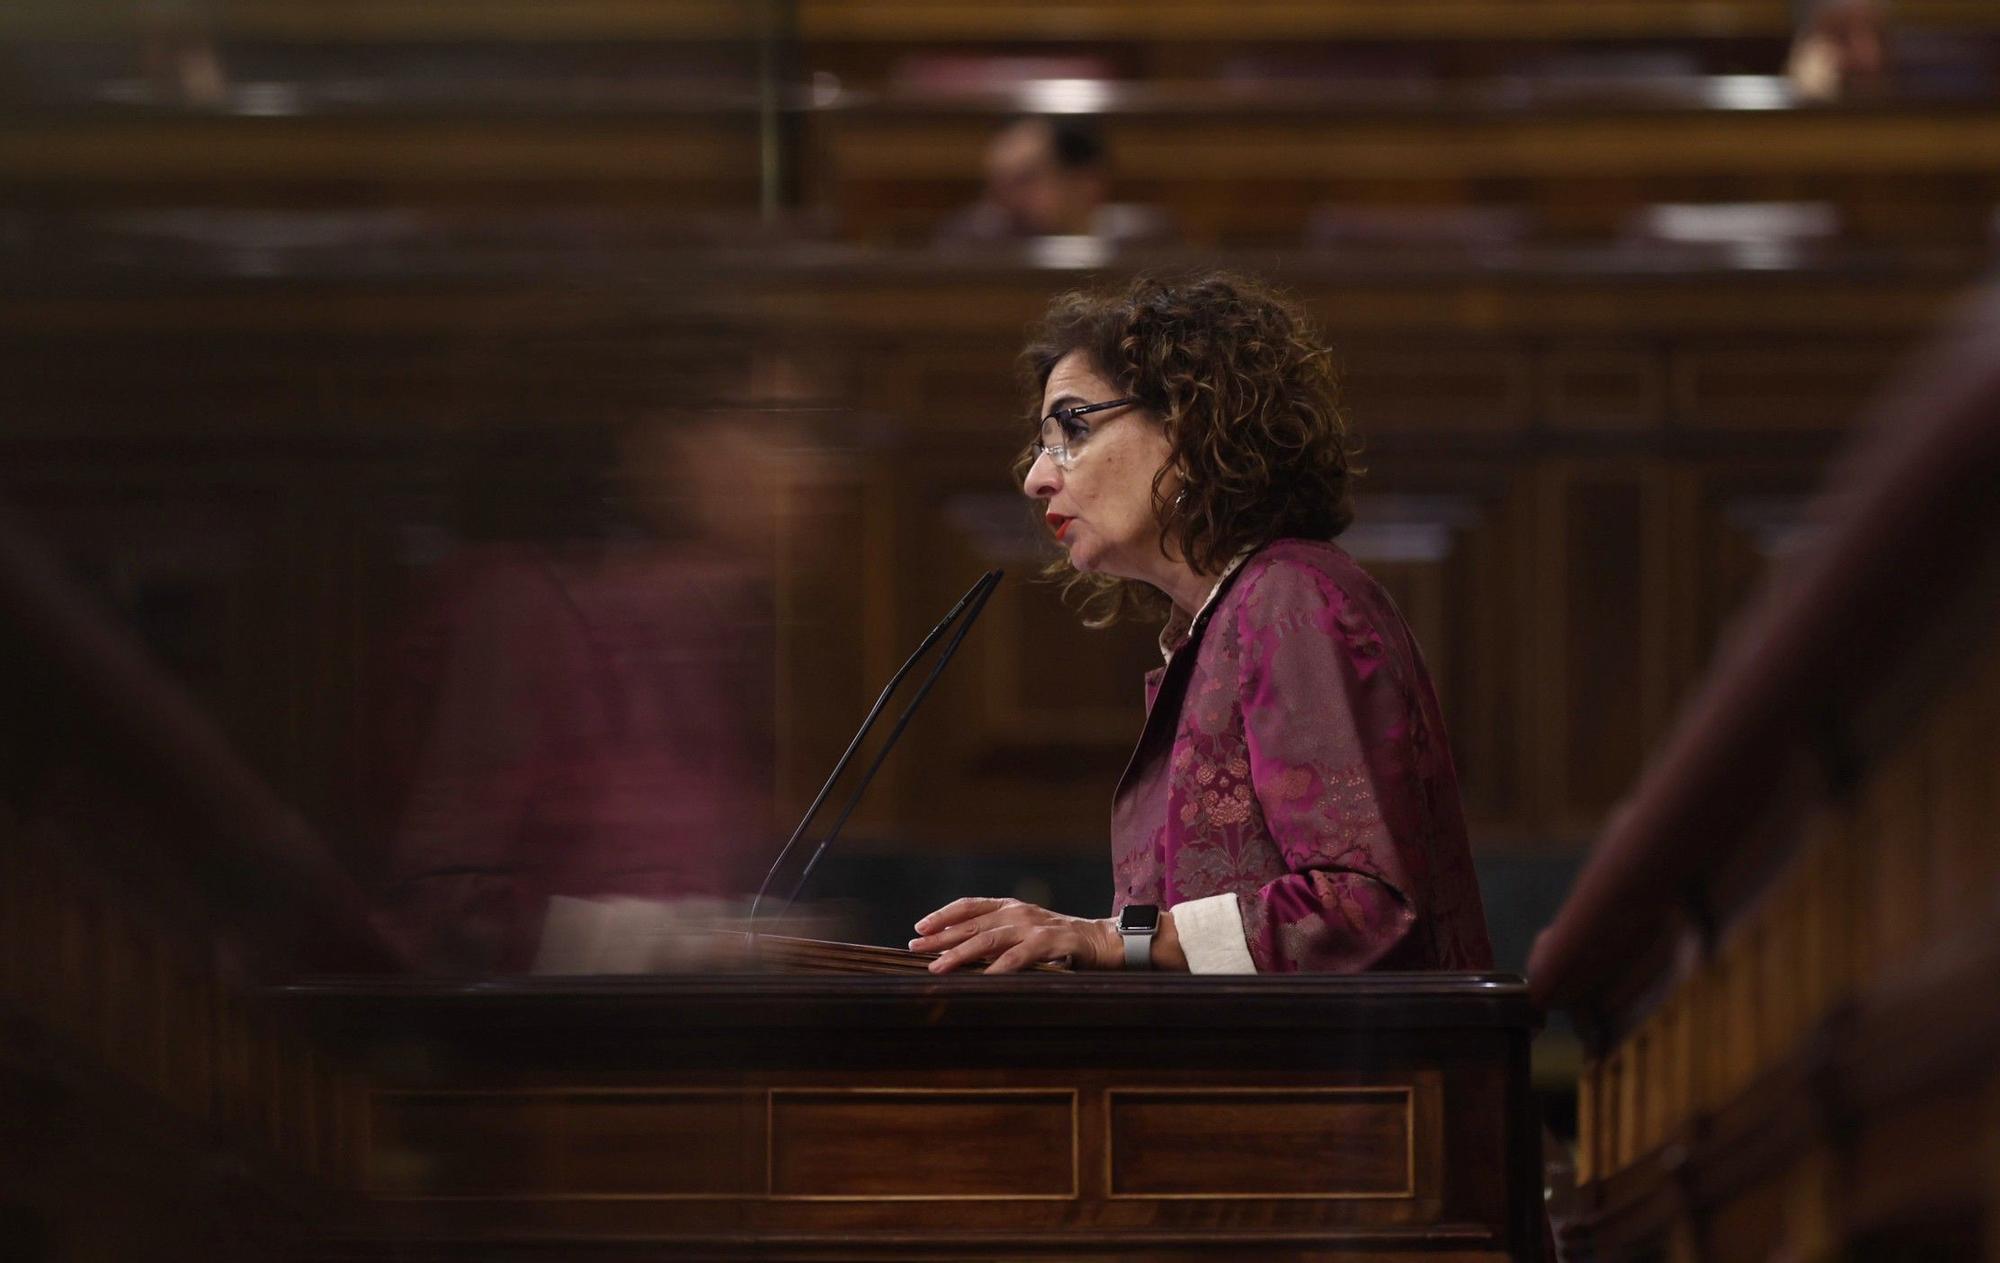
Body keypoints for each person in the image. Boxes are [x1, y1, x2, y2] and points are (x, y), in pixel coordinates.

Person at [911, 272, 1493, 975]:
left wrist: (1114, 939)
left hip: (1349, 1084)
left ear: (1188, 422)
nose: (1036, 476)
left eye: (1071, 426)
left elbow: (1362, 907)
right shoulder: (1224, 621)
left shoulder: (1294, 600)